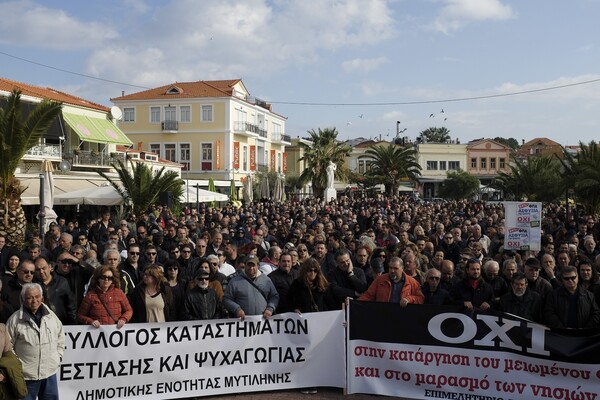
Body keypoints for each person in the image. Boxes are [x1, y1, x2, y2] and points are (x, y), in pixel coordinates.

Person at [6, 283, 64, 400]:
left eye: (37, 297)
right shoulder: (15, 320)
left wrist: (58, 357)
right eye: (30, 297)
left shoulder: (52, 316)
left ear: (42, 298)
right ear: (23, 300)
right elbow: (8, 347)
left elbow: (61, 337)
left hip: (49, 373)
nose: (34, 300)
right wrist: (17, 366)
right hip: (26, 376)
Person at [223, 254, 279, 320]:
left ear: (258, 266)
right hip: (243, 322)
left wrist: (270, 308)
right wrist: (237, 309)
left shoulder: (267, 280)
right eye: (249, 265)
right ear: (245, 265)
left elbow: (274, 296)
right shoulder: (234, 281)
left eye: (253, 265)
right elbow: (226, 299)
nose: (251, 268)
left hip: (262, 322)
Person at [359, 256, 424, 306]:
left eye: (395, 268)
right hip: (383, 315)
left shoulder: (412, 282)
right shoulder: (380, 280)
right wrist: (355, 303)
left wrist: (409, 299)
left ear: (402, 268)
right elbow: (368, 295)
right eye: (390, 268)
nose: (392, 271)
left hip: (403, 316)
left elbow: (420, 299)